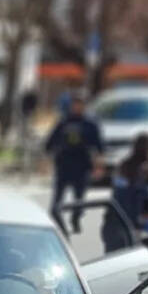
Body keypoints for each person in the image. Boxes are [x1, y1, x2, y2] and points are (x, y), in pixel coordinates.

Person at [43, 93, 102, 230]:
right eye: (74, 105)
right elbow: (50, 142)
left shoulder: (90, 124)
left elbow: (99, 147)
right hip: (63, 164)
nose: (77, 108)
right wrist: (45, 160)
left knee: (79, 199)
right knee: (56, 202)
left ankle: (76, 218)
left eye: (80, 105)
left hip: (82, 166)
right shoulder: (63, 122)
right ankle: (60, 227)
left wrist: (98, 166)